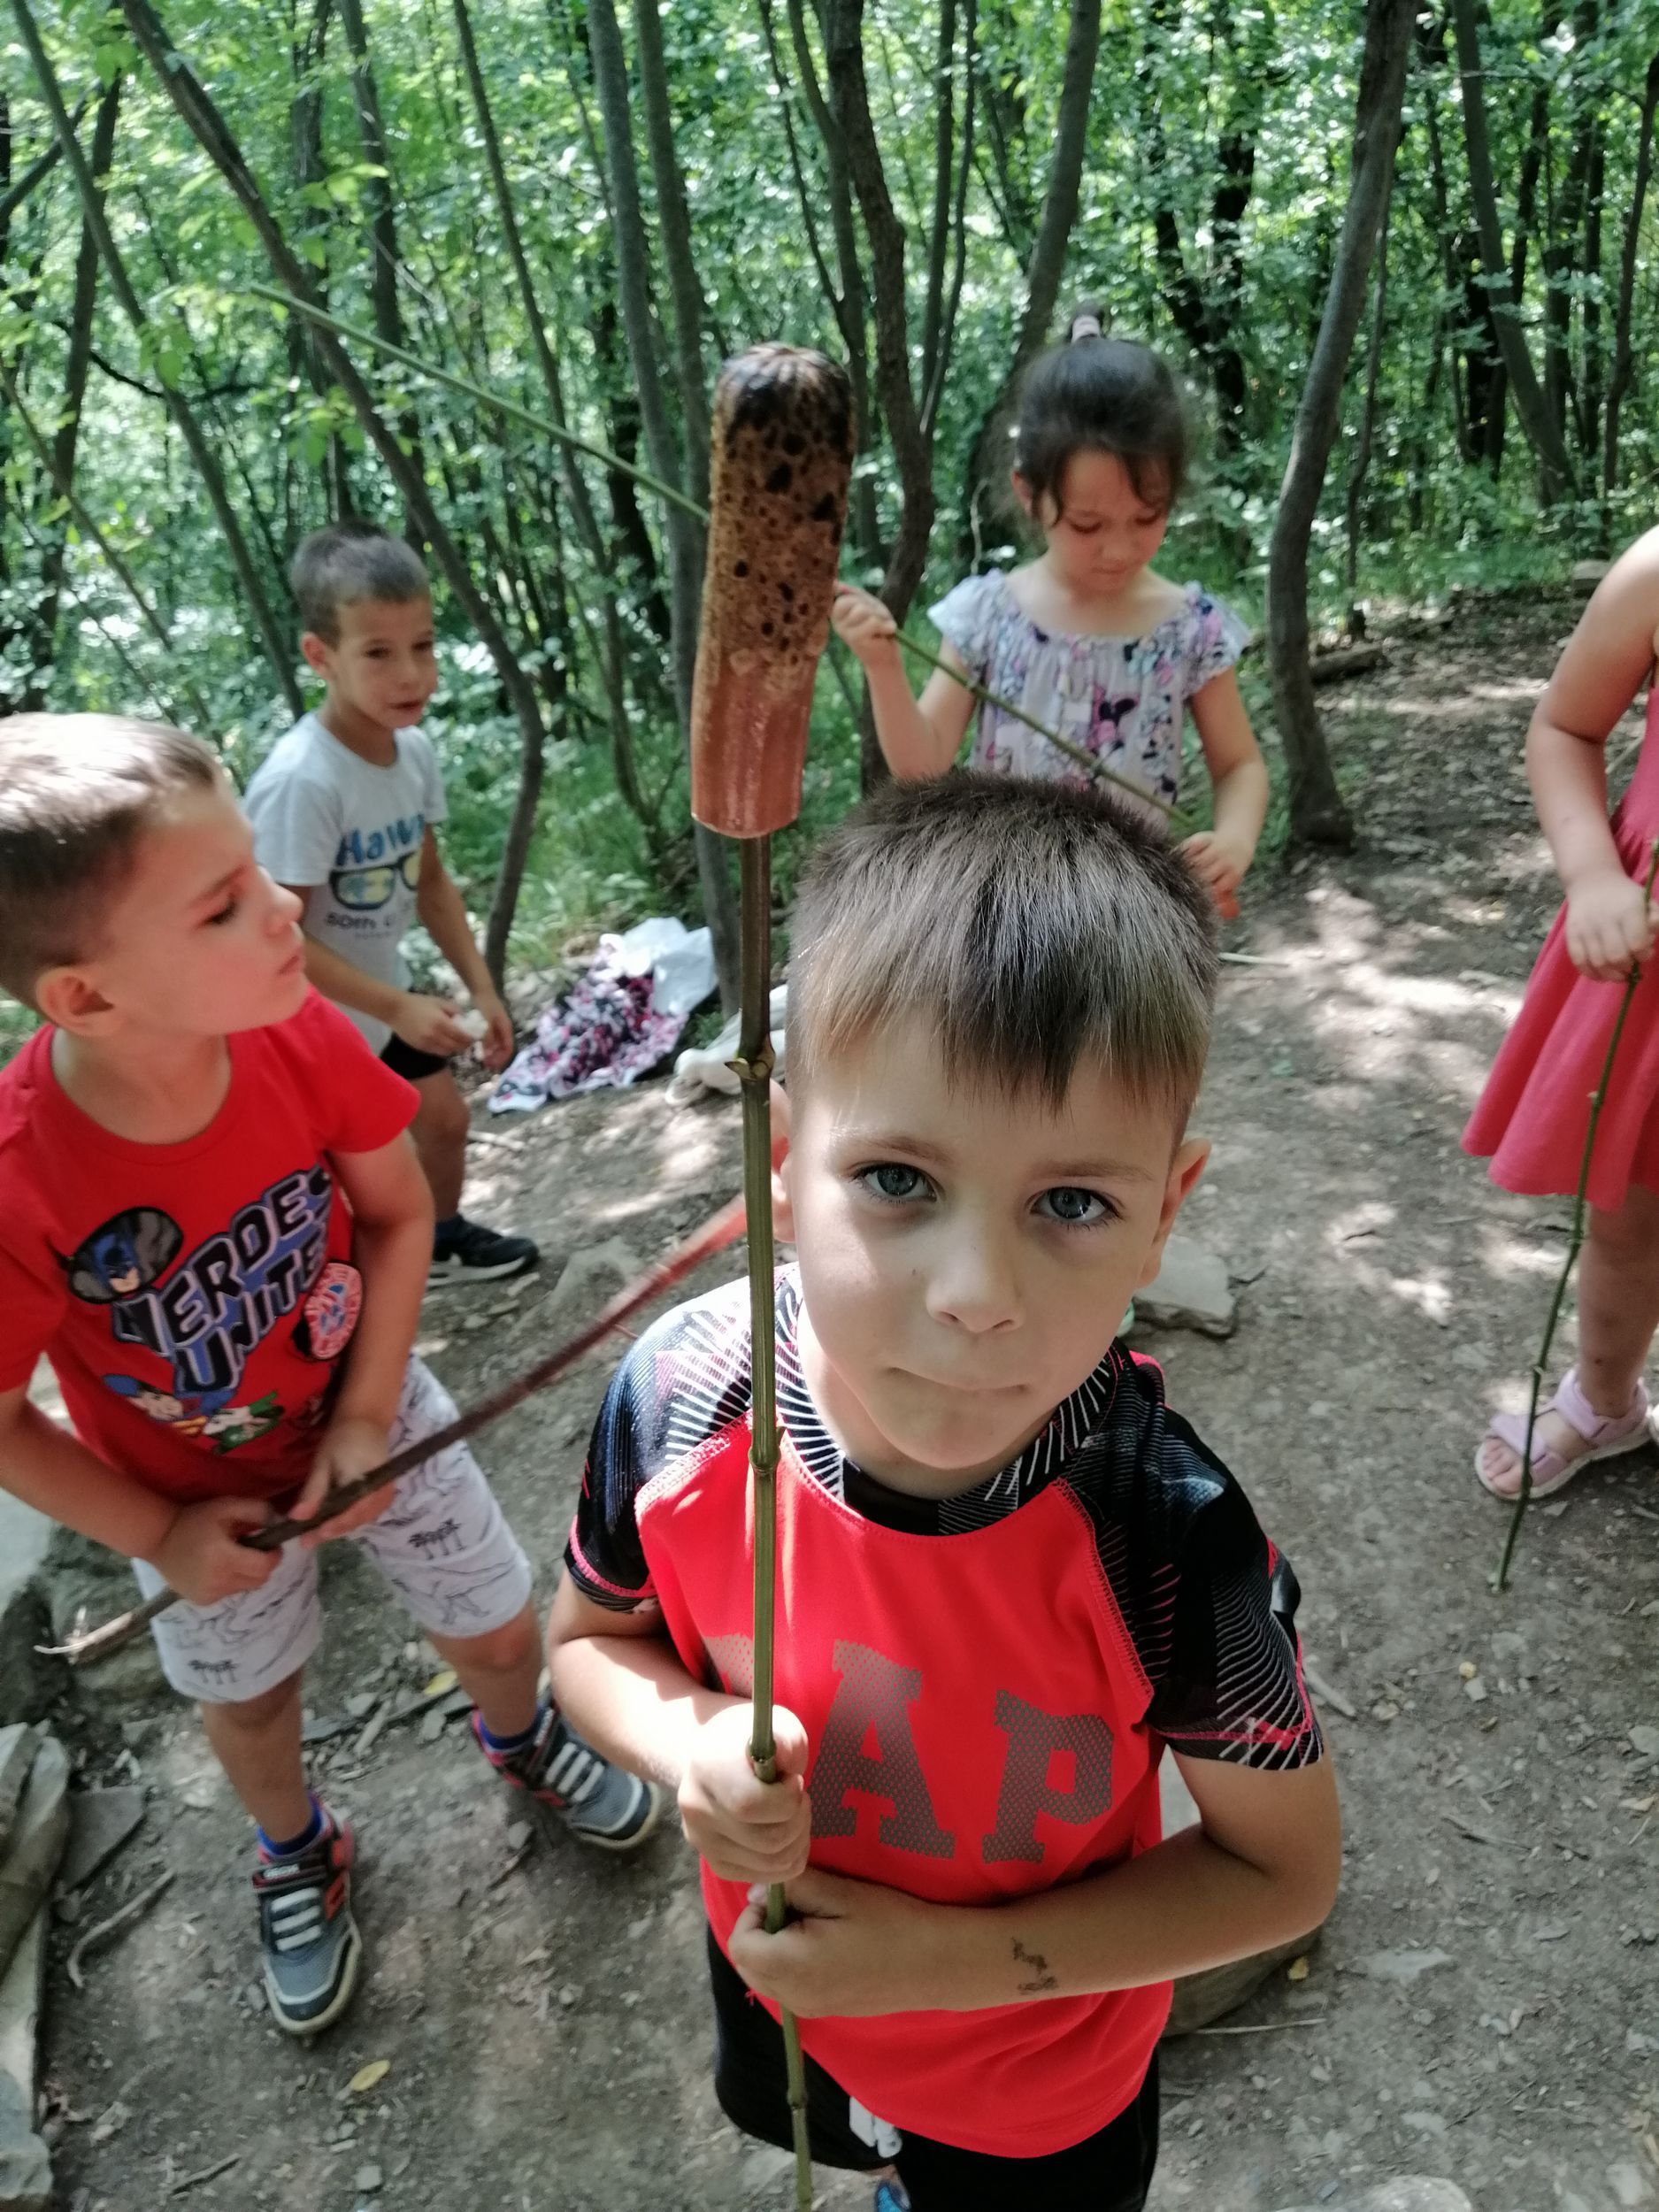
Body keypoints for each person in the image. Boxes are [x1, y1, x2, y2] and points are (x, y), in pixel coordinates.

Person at [547, 773, 1340, 2212]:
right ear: (782, 1155)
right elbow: (590, 1643)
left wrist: (945, 1966)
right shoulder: (682, 1402)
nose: (976, 1294)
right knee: (848, 2155)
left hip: (1039, 2089)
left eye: (1072, 1203)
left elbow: (1279, 1876)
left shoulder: (1165, 1534)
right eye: (898, 1179)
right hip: (782, 1992)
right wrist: (687, 1739)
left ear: (1165, 1212)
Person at [0, 717, 663, 2040]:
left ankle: (520, 1734)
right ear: (85, 998)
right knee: (249, 1702)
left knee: (492, 1622)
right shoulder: (25, 1177)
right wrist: (161, 1536)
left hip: (379, 1411)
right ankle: (296, 1846)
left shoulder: (294, 1032)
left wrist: (364, 1415)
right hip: (192, 1498)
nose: (284, 907)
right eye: (223, 904)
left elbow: (399, 1214)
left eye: (258, 867)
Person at [831, 309, 1269, 918]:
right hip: (1006, 912)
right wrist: (882, 666)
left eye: (1147, 518)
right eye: (1088, 525)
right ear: (1029, 495)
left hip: (1131, 917)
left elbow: (1239, 764)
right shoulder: (990, 615)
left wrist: (1234, 841)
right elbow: (922, 766)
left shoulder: (1188, 628)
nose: (1119, 549)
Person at [244, 522, 537, 1287]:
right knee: (350, 1173)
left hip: (376, 998)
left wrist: (480, 987)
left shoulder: (411, 751)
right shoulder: (304, 781)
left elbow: (428, 879)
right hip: (304, 1023)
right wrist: (395, 1006)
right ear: (321, 656)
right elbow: (272, 933)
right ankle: (350, 1296)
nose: (411, 674)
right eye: (377, 653)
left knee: (444, 1120)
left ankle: (438, 1245)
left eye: (424, 646)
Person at [1465, 529, 1659, 1496]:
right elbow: (1564, 727)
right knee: (1628, 1218)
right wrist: (1592, 876)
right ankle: (1604, 1399)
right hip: (1648, 964)